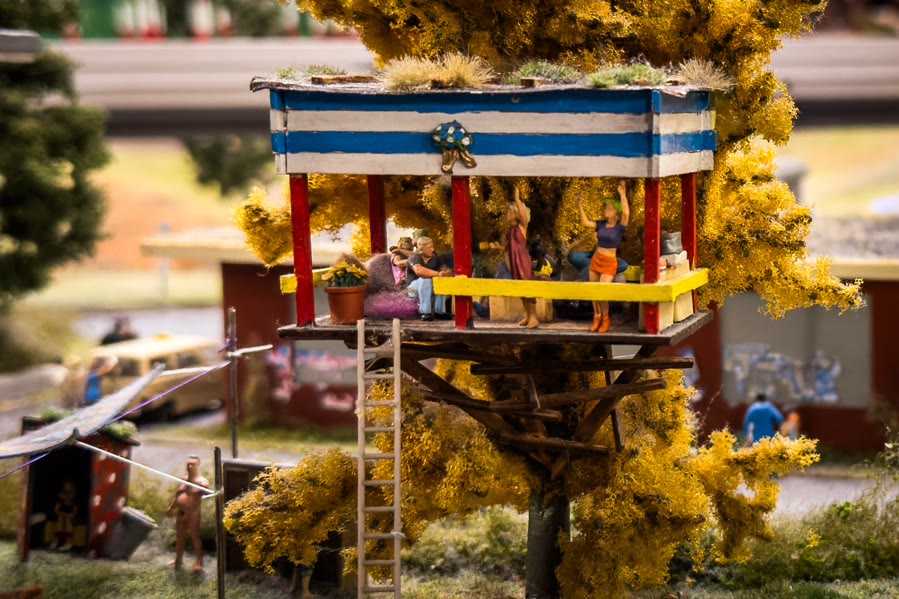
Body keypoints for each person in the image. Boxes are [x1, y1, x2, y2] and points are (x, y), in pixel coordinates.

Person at [577, 180, 630, 333]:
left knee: (602, 291)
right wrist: (579, 204)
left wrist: (622, 193)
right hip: (597, 260)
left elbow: (626, 213)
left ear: (616, 213)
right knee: (594, 292)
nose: (606, 210)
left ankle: (606, 318)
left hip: (609, 262)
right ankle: (597, 317)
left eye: (610, 208)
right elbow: (585, 223)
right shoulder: (601, 225)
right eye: (606, 207)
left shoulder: (619, 228)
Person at [489, 188, 538, 328]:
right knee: (520, 289)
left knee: (527, 287)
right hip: (514, 261)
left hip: (522, 260)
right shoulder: (510, 230)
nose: (508, 214)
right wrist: (498, 247)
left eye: (510, 212)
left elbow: (523, 216)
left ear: (516, 213)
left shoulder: (522, 226)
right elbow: (508, 248)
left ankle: (534, 316)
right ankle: (528, 315)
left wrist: (517, 199)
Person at [166, 456, 209, 573]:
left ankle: (199, 562)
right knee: (179, 537)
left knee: (195, 537)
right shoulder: (184, 480)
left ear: (197, 466)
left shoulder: (202, 481)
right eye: (188, 464)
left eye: (192, 464)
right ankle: (178, 559)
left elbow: (205, 489)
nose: (190, 466)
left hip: (192, 514)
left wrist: (201, 487)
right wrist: (171, 508)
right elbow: (177, 495)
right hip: (181, 513)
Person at [406, 237, 453, 321]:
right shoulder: (414, 258)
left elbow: (446, 270)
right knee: (426, 279)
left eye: (432, 247)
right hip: (413, 288)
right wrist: (438, 274)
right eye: (429, 247)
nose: (432, 249)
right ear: (421, 248)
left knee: (439, 281)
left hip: (430, 287)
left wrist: (446, 272)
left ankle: (439, 311)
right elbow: (419, 271)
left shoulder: (435, 259)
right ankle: (425, 311)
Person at [50, 480, 78, 551]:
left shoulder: (74, 503)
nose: (67, 495)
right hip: (62, 516)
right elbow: (56, 510)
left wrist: (68, 515)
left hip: (71, 518)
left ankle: (68, 543)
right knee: (60, 519)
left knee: (68, 521)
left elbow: (74, 513)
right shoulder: (60, 501)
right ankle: (56, 541)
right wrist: (63, 514)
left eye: (70, 491)